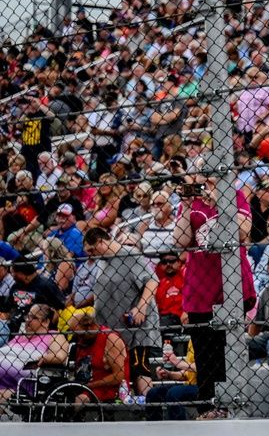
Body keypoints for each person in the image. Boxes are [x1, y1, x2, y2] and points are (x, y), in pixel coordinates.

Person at [171, 175, 255, 419]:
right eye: (201, 173)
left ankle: (231, 404)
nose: (205, 178)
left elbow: (243, 231)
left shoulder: (234, 196)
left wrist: (218, 201)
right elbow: (180, 241)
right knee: (204, 351)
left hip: (228, 283)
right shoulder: (192, 203)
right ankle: (207, 406)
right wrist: (186, 206)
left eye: (209, 173)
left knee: (226, 347)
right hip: (200, 284)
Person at [83, 227, 161, 396]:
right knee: (117, 367)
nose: (90, 254)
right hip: (115, 327)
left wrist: (141, 307)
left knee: (140, 367)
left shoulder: (129, 254)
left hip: (138, 324)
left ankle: (149, 405)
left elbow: (152, 281)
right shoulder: (102, 261)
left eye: (91, 249)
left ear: (101, 242)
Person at [38, 310, 129, 408]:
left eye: (80, 335)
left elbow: (119, 375)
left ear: (89, 326)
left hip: (106, 388)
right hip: (83, 385)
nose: (79, 340)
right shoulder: (83, 342)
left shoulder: (110, 338)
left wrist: (91, 385)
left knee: (80, 399)